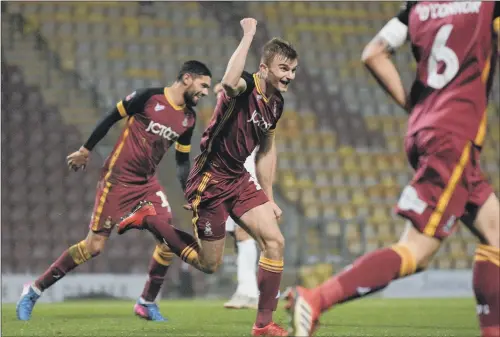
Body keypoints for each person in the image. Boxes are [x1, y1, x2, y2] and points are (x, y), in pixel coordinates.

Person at [285, 2, 500, 337]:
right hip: (454, 135)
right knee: (417, 250)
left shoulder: (417, 7)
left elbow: (373, 53)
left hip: (424, 130)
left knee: (496, 233)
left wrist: (417, 110)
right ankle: (315, 298)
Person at [118, 18, 298, 336]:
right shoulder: (244, 86)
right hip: (210, 179)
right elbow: (229, 81)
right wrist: (249, 35)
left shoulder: (276, 103)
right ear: (265, 68)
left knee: (275, 242)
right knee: (208, 264)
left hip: (239, 178)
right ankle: (149, 220)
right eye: (283, 69)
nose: (289, 76)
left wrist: (269, 196)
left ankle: (263, 325)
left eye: (293, 70)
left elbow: (268, 149)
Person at [16, 60, 212, 322]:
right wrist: (85, 150)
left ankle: (146, 302)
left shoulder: (188, 118)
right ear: (187, 78)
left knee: (168, 240)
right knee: (93, 246)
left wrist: (190, 193)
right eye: (203, 85)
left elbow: (181, 160)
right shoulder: (147, 98)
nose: (206, 92)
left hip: (147, 183)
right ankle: (34, 289)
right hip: (117, 180)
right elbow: (111, 117)